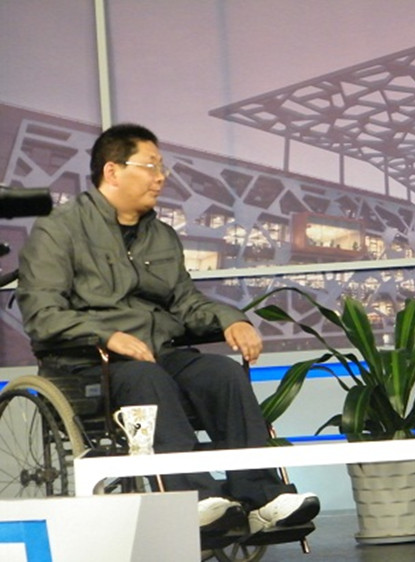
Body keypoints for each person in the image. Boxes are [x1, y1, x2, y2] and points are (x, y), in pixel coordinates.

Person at [16, 123, 320, 538]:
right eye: (150, 166)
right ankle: (195, 499)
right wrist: (106, 335)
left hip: (159, 353)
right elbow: (42, 313)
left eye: (162, 168)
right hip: (88, 363)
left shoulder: (161, 236)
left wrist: (231, 319)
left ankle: (263, 495)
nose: (161, 177)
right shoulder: (59, 229)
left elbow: (185, 302)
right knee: (147, 379)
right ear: (112, 171)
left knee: (222, 373)